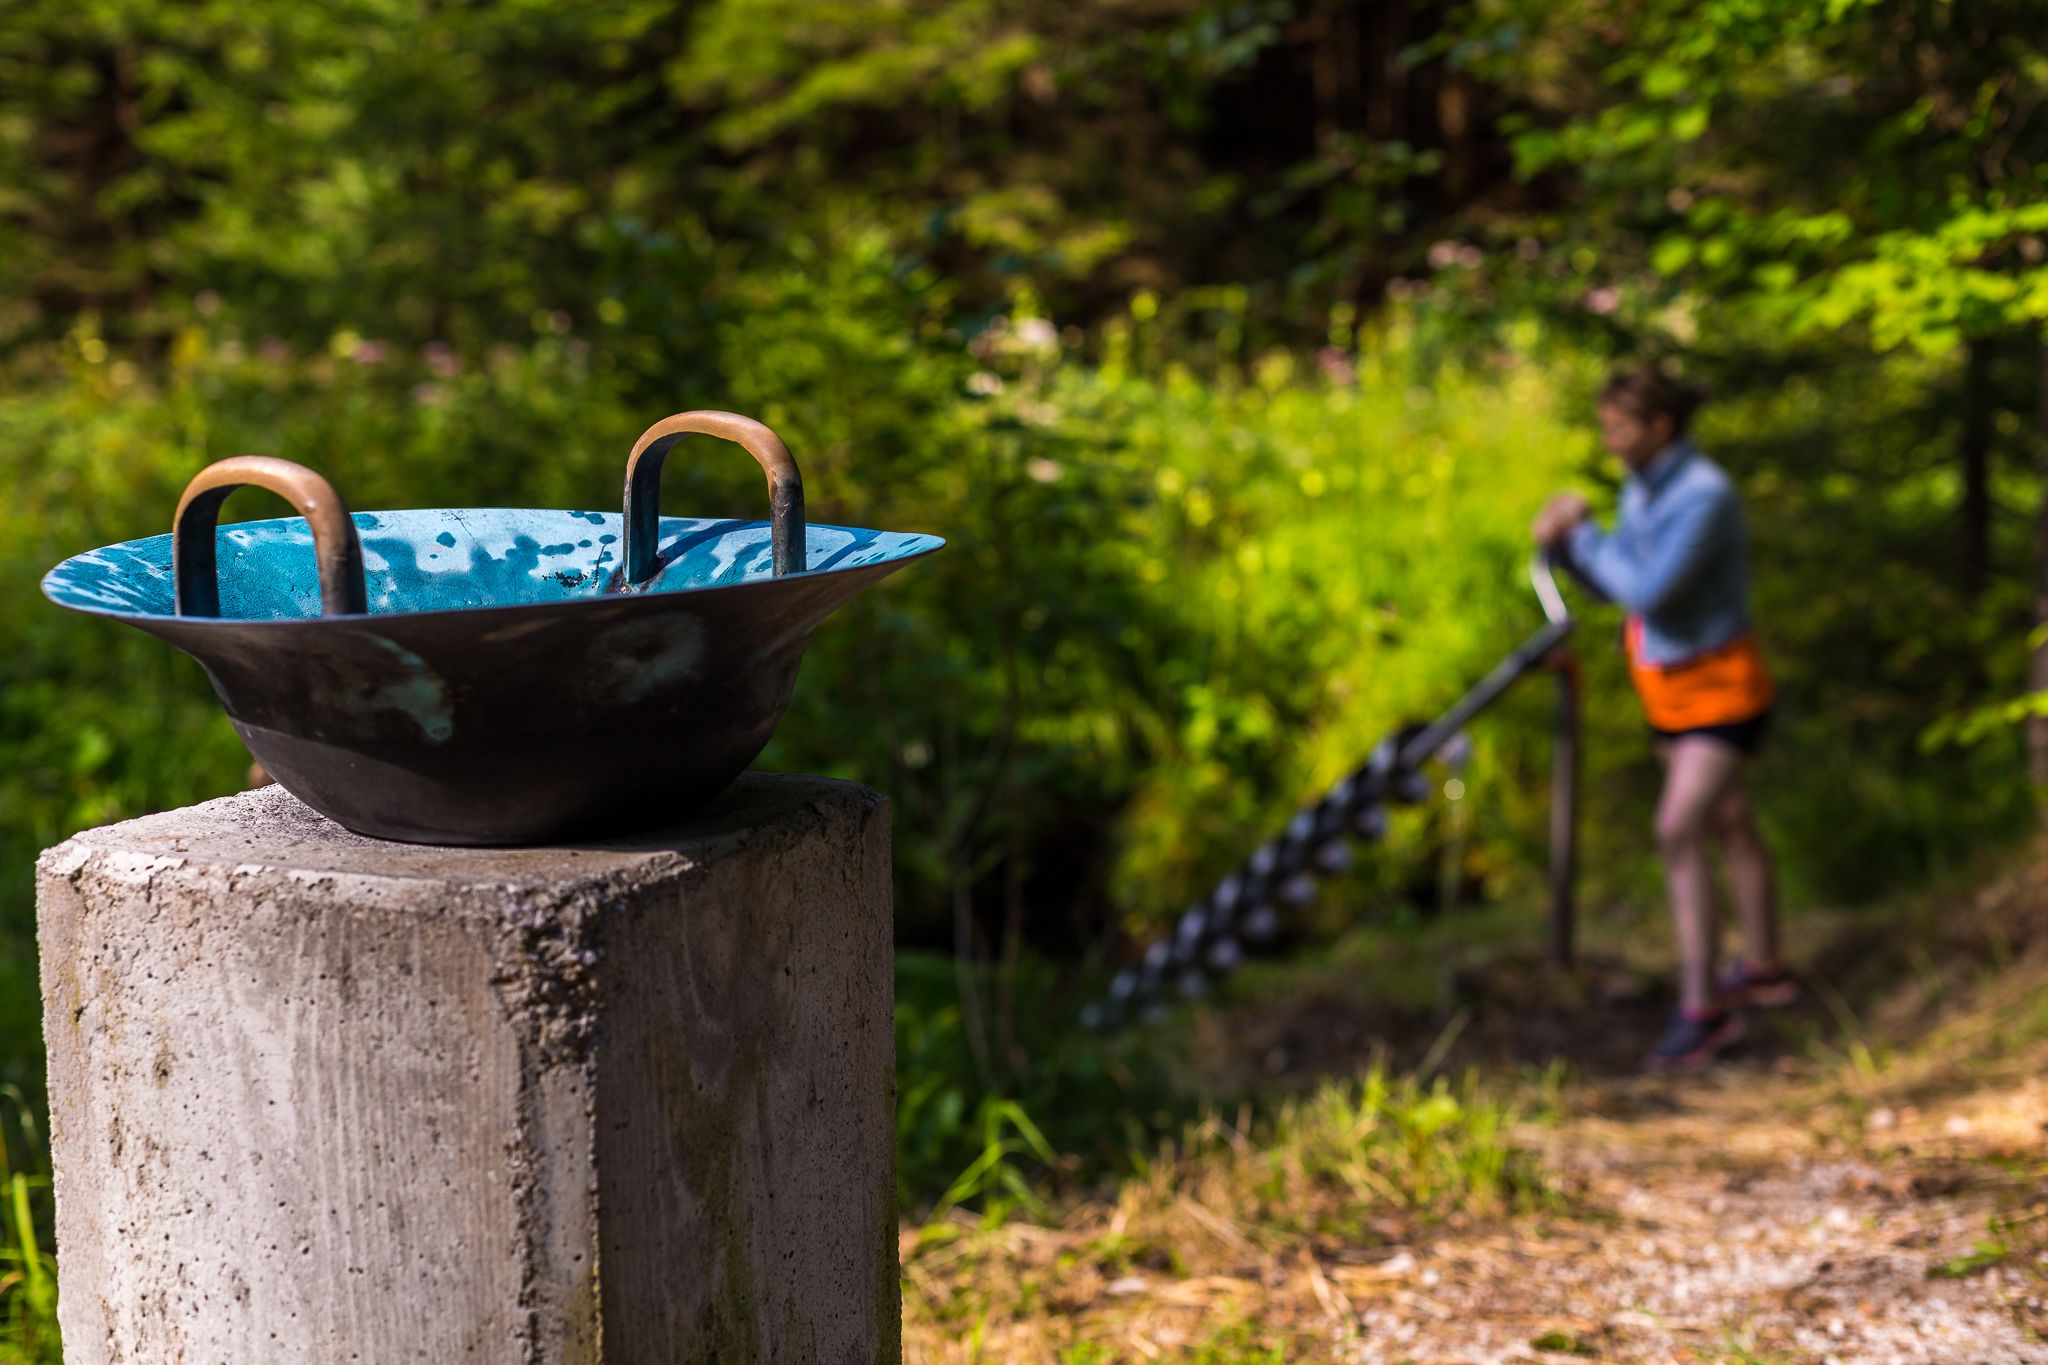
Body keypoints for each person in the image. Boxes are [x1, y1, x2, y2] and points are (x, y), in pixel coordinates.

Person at [1533, 364, 1795, 1073]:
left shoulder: (1704, 495)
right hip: (1667, 693)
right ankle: (1764, 965)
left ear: (1660, 426)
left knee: (1677, 829)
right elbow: (1618, 584)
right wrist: (1569, 547)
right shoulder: (1642, 488)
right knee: (1727, 819)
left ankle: (1701, 1009)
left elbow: (1650, 591)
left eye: (1618, 425)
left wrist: (1583, 535)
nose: (1607, 438)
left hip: (1723, 692)